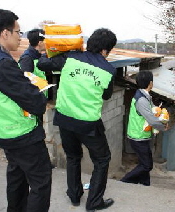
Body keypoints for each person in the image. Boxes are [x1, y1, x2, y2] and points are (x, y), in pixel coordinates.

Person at [0, 9, 52, 212]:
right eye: (19, 32)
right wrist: (36, 89)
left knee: (17, 180)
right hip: (22, 134)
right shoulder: (1, 64)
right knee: (40, 184)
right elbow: (36, 104)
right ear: (5, 33)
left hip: (4, 132)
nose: (21, 37)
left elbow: (4, 90)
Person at [37, 28, 117, 212]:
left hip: (65, 118)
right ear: (106, 50)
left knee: (73, 157)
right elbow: (106, 96)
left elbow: (42, 64)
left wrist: (47, 50)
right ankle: (94, 202)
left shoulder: (70, 58)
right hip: (89, 124)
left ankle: (74, 196)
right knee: (102, 159)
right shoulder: (109, 70)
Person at [120, 70, 166, 186]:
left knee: (144, 162)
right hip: (138, 137)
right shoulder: (141, 100)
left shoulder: (143, 95)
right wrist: (163, 126)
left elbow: (152, 111)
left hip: (141, 136)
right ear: (150, 83)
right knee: (147, 165)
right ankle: (124, 181)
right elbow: (151, 119)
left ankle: (145, 184)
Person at [19, 28, 49, 122]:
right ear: (40, 42)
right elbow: (25, 83)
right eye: (46, 41)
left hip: (39, 100)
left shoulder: (39, 56)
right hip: (33, 104)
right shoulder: (27, 59)